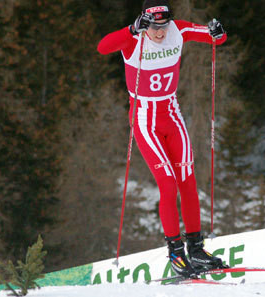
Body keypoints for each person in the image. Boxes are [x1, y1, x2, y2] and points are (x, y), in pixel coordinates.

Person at [97, 0, 227, 278]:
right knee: (168, 186)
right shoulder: (134, 38)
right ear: (145, 22)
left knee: (188, 183)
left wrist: (217, 31)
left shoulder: (177, 30)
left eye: (163, 26)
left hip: (171, 113)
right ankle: (175, 253)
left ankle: (196, 249)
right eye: (154, 27)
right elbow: (103, 46)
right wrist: (132, 30)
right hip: (145, 119)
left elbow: (215, 37)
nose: (160, 33)